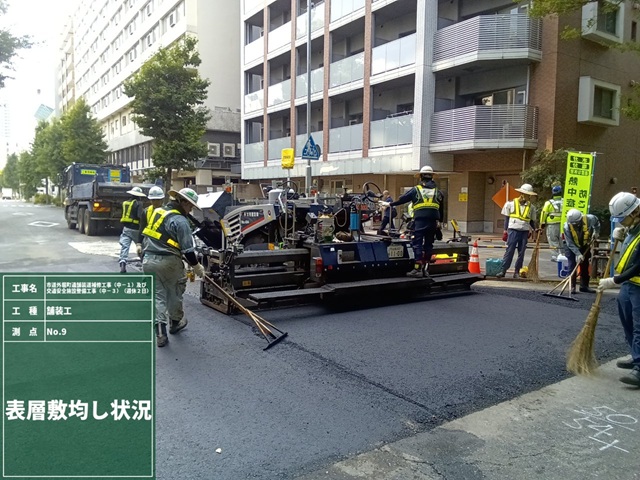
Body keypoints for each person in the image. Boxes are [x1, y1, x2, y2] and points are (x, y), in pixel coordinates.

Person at [141, 187, 206, 348]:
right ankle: (175, 323)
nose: (190, 210)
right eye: (190, 206)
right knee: (174, 293)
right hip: (169, 262)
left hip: (148, 260)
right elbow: (188, 250)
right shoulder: (181, 221)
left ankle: (160, 334)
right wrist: (197, 266)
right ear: (183, 202)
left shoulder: (158, 212)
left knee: (157, 297)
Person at [597, 192, 640, 387]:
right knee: (627, 321)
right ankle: (636, 355)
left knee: (639, 326)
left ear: (635, 212)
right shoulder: (633, 227)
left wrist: (615, 280)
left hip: (638, 285)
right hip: (629, 285)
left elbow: (638, 264)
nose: (621, 222)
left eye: (622, 218)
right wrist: (622, 239)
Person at [382, 166, 444, 278]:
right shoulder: (438, 192)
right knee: (429, 245)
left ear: (421, 176)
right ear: (432, 177)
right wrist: (440, 223)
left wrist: (390, 204)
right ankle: (426, 269)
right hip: (432, 222)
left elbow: (402, 199)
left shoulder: (416, 190)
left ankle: (417, 269)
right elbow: (441, 209)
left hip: (420, 221)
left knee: (417, 244)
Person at [496, 183, 537, 279]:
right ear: (522, 194)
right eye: (527, 195)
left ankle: (517, 272)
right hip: (513, 230)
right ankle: (503, 270)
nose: (528, 197)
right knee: (509, 251)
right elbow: (506, 218)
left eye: (529, 195)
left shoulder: (531, 207)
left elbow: (531, 221)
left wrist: (535, 229)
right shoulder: (510, 204)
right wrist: (505, 230)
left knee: (521, 253)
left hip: (524, 231)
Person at [563, 208, 600, 294]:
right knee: (572, 264)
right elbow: (570, 243)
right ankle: (571, 287)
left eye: (576, 224)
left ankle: (584, 286)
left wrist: (596, 232)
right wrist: (578, 254)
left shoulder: (590, 219)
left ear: (580, 219)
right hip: (570, 246)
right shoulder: (566, 227)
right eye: (573, 224)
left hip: (584, 243)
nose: (575, 225)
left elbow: (597, 223)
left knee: (585, 263)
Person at [118, 186, 146, 273]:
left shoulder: (125, 203)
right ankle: (144, 262)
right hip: (136, 229)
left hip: (126, 228)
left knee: (125, 247)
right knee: (141, 246)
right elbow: (139, 216)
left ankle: (123, 263)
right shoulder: (139, 203)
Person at [136, 186, 165, 259]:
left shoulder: (167, 212)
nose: (155, 202)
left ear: (162, 200)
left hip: (162, 243)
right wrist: (139, 244)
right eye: (153, 200)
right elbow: (142, 228)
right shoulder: (146, 211)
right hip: (148, 242)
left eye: (157, 200)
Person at [540, 185, 563, 261]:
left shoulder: (549, 203)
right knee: (562, 240)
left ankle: (555, 256)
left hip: (552, 224)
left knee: (553, 240)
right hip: (563, 224)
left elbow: (544, 213)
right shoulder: (565, 201)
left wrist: (542, 223)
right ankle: (563, 255)